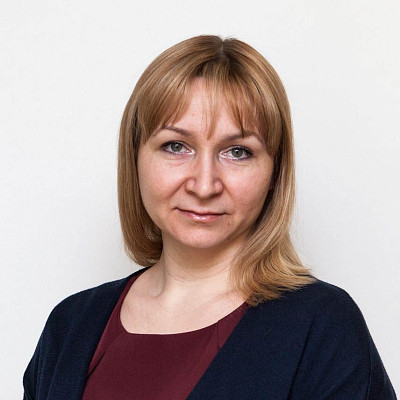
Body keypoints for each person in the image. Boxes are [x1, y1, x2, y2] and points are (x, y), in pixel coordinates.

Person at [23, 35, 396, 400]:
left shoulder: (323, 327)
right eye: (176, 146)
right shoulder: (70, 325)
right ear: (135, 157)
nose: (204, 186)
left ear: (274, 172)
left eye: (238, 152)